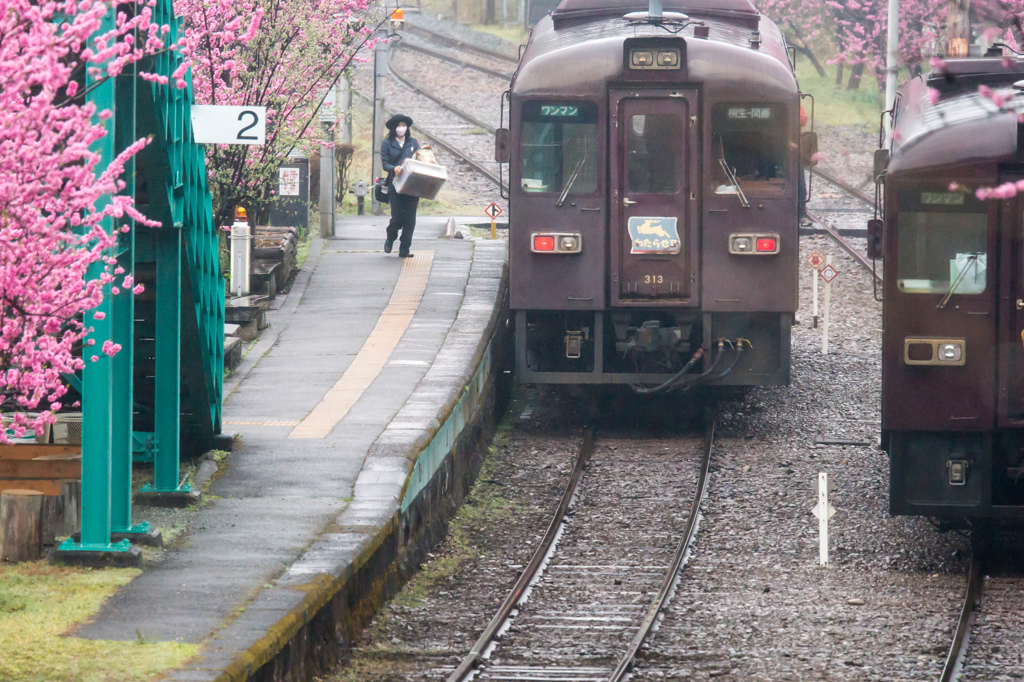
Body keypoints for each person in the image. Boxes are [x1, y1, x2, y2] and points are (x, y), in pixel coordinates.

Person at [381, 113, 421, 258]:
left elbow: (420, 158)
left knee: (410, 219)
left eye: (404, 125)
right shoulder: (386, 143)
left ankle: (405, 249)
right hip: (395, 185)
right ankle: (390, 238)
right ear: (393, 128)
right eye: (398, 125)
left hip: (412, 186)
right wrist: (394, 168)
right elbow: (385, 163)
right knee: (397, 216)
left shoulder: (413, 142)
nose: (401, 128)